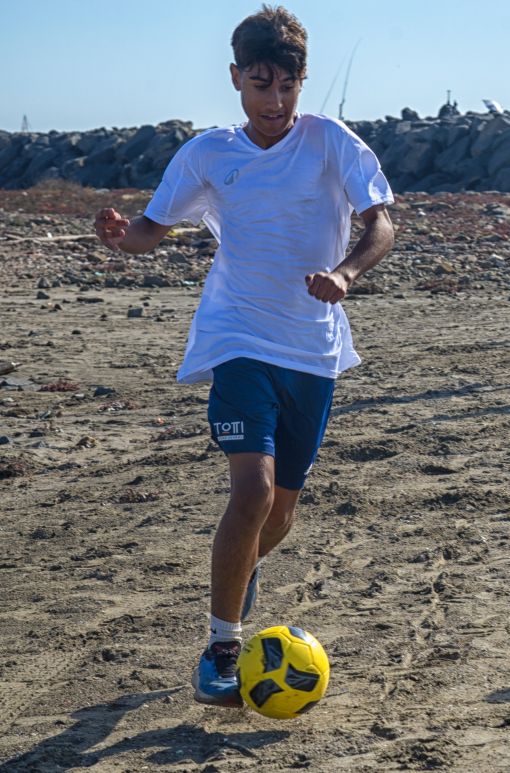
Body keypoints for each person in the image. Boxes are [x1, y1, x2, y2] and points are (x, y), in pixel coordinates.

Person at [92, 5, 395, 706]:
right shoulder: (209, 153)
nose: (275, 102)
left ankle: (234, 577)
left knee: (279, 514)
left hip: (313, 351)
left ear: (302, 82)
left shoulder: (330, 142)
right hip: (237, 338)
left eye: (287, 87)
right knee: (252, 492)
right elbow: (151, 227)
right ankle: (222, 648)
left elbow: (382, 220)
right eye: (261, 85)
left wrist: (346, 273)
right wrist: (120, 235)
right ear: (236, 78)